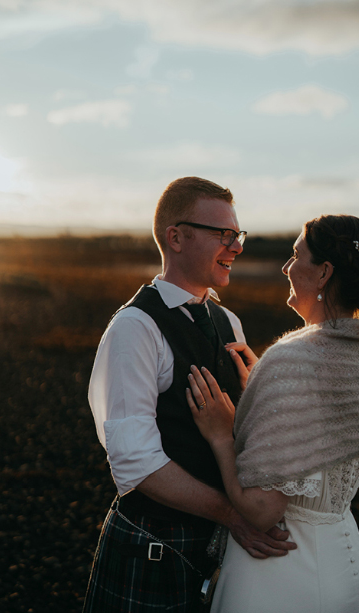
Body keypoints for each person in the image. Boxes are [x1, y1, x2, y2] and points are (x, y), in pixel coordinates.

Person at [83, 177, 296, 612]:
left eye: (238, 235)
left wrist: (258, 395)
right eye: (223, 234)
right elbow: (136, 465)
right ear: (175, 237)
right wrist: (234, 516)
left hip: (216, 550)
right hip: (152, 546)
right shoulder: (134, 328)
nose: (236, 246)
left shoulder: (228, 322)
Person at [185, 214, 359, 612]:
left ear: (324, 273)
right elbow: (317, 435)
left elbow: (262, 510)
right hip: (345, 561)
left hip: (281, 574)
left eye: (296, 255)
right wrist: (263, 394)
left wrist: (221, 434)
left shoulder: (292, 361)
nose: (285, 266)